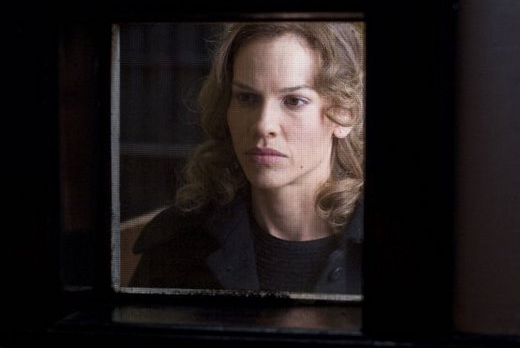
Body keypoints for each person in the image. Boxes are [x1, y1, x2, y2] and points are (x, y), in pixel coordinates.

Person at [129, 21, 364, 295]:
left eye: (294, 101)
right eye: (247, 98)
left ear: (344, 113)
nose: (263, 125)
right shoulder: (177, 246)